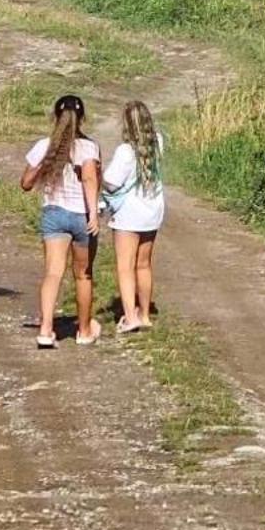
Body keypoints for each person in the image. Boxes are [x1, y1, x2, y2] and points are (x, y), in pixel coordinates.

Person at [21, 94, 101, 350]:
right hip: (81, 216)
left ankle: (45, 330)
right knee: (83, 275)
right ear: (82, 118)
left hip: (54, 213)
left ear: (55, 116)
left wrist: (45, 162)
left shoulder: (45, 145)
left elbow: (26, 183)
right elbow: (89, 179)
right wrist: (94, 215)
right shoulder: (89, 148)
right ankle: (85, 330)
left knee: (53, 274)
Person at [104, 101, 165, 335]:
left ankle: (130, 317)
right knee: (144, 264)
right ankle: (145, 314)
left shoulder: (125, 151)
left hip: (129, 214)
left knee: (125, 266)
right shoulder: (158, 142)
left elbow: (111, 182)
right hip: (152, 211)